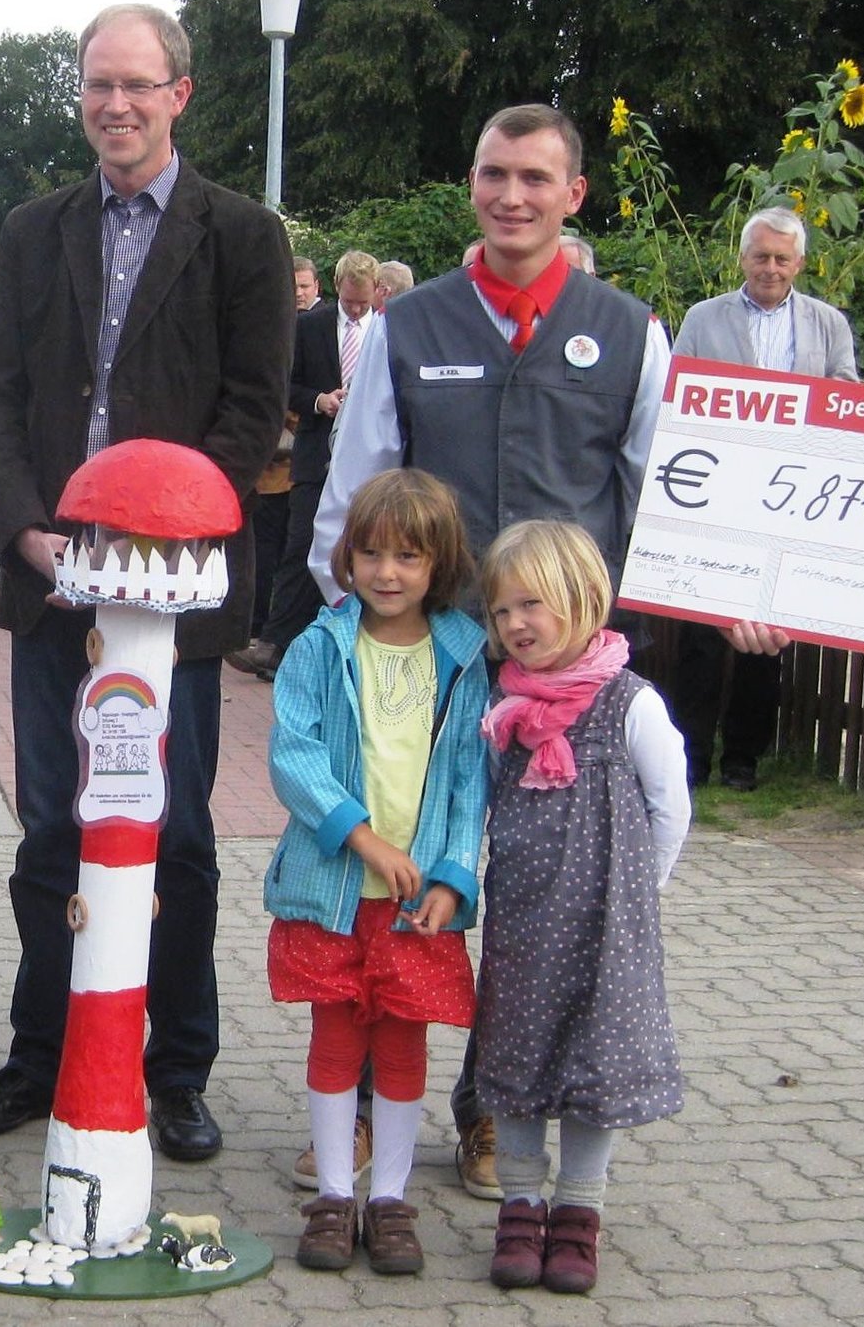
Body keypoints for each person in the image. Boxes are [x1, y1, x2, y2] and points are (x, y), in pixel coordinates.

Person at [309, 105, 673, 1199]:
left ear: (574, 194)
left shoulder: (630, 331)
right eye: (492, 174)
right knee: (397, 878)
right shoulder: (410, 323)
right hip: (430, 656)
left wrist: (714, 608)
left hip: (565, 680)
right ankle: (361, 1106)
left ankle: (487, 1108)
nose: (510, 196)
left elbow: (664, 500)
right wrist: (348, 622)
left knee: (528, 905)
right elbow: (357, 482)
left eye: (534, 178)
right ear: (471, 183)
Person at [0, 3, 294, 1161]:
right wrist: (25, 531)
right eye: (97, 85)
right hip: (53, 588)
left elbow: (251, 408)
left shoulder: (241, 235)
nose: (114, 105)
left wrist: (159, 542)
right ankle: (39, 1054)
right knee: (51, 829)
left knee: (178, 835)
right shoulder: (31, 230)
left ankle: (176, 1068)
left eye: (136, 86)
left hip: (175, 600)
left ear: (178, 95)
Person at [265, 470, 489, 1275]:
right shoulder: (319, 645)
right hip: (335, 891)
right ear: (348, 557)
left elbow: (469, 780)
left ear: (439, 563)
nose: (386, 572)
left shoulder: (463, 656)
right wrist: (362, 839)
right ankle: (334, 1193)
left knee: (402, 1044)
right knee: (335, 1038)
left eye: (407, 556)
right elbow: (293, 756)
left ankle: (390, 1197)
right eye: (371, 554)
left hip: (417, 903)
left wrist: (452, 875)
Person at [474, 520, 690, 1295]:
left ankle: (578, 1209)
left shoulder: (630, 702)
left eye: (531, 604)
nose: (515, 623)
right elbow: (482, 802)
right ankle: (520, 1203)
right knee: (519, 1056)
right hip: (524, 923)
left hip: (606, 929)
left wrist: (638, 893)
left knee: (595, 1064)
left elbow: (669, 806)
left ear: (581, 597)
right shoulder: (504, 708)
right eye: (502, 610)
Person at [669, 205, 859, 789]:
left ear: (799, 263)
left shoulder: (828, 323)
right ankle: (691, 757)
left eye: (781, 258)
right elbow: (677, 391)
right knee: (702, 631)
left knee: (767, 635)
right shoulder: (704, 317)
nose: (770, 268)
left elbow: (847, 396)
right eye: (761, 256)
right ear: (743, 258)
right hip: (718, 492)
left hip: (788, 497)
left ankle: (743, 759)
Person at [233, 249, 381, 679]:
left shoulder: (386, 330)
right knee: (301, 546)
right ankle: (275, 644)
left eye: (363, 302)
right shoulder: (310, 327)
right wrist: (319, 400)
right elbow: (284, 385)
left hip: (368, 461)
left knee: (363, 550)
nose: (357, 310)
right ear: (336, 287)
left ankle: (348, 646)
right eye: (350, 302)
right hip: (316, 454)